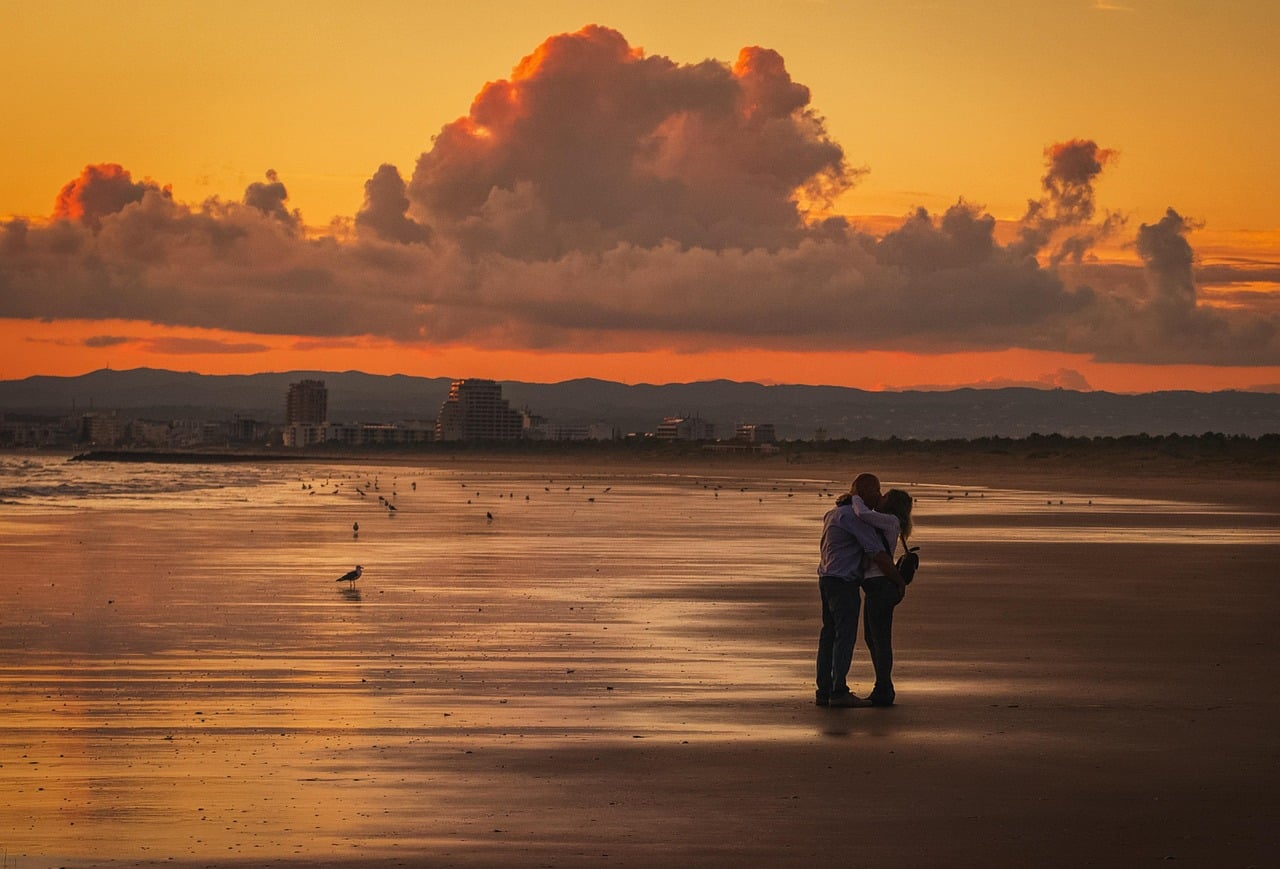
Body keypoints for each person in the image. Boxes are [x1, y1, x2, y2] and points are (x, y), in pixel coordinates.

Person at [816, 473, 905, 708]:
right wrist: (899, 580)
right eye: (876, 490)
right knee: (845, 636)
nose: (879, 495)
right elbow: (877, 553)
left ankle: (824, 690)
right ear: (866, 494)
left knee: (828, 635)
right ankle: (838, 691)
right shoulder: (854, 518)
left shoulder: (832, 514)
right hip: (844, 583)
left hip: (826, 578)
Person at [856, 488, 914, 707]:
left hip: (881, 585)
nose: (879, 498)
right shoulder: (888, 521)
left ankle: (884, 688)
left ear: (890, 503)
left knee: (879, 640)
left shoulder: (889, 521)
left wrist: (854, 497)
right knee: (872, 639)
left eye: (884, 496)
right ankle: (883, 685)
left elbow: (863, 514)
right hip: (877, 586)